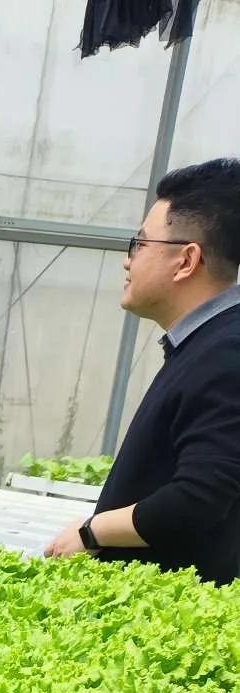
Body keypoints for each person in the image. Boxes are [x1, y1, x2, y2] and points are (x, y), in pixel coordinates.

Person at [46, 158, 240, 584]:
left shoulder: (227, 352)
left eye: (140, 243)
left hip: (177, 614)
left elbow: (198, 498)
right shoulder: (206, 343)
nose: (127, 260)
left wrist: (91, 531)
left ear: (186, 260)